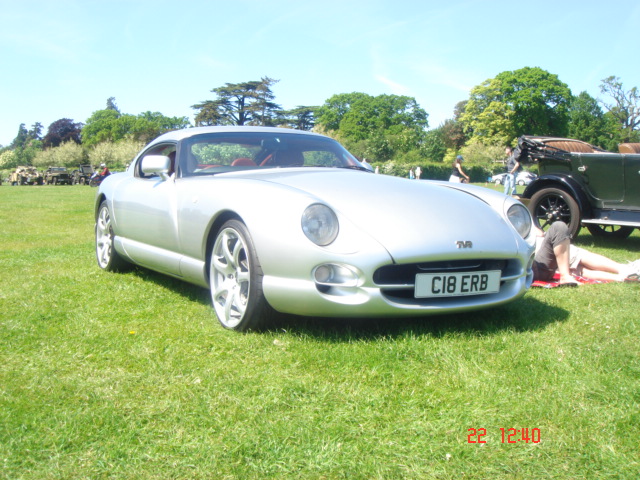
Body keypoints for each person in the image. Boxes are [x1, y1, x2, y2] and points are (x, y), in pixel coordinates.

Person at [533, 221, 640, 284]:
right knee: (576, 253)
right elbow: (539, 233)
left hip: (537, 265)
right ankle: (625, 269)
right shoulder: (517, 215)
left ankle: (622, 278)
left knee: (578, 269)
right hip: (536, 260)